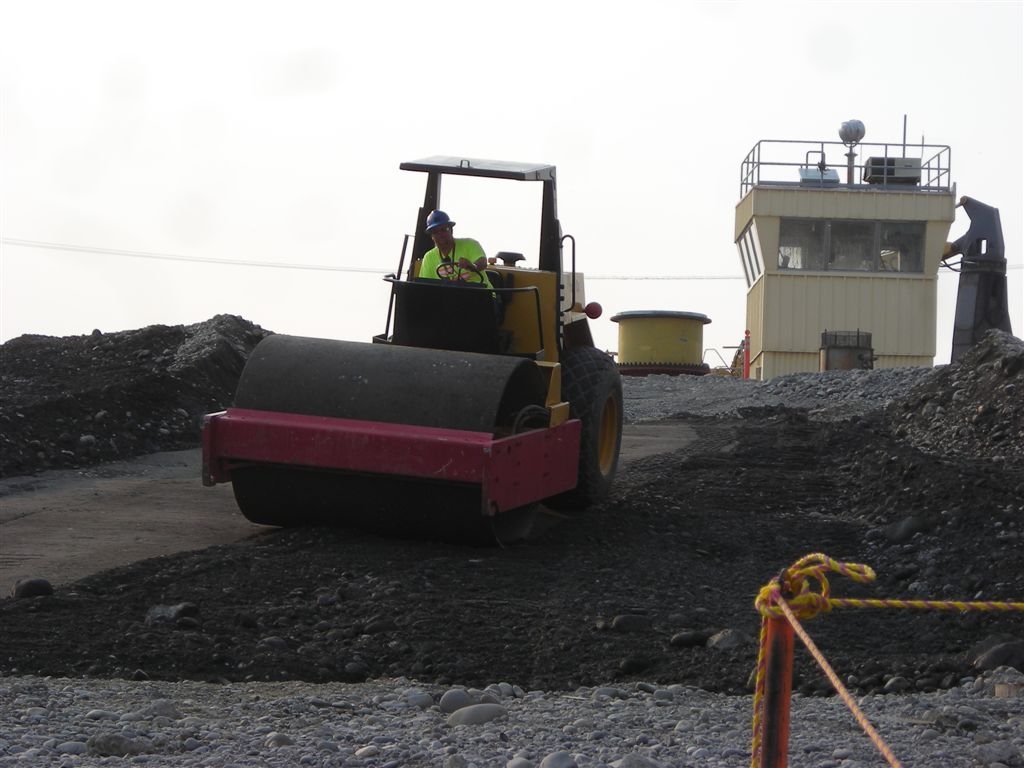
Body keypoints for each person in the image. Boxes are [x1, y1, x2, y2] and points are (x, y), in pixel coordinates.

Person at [418, 210, 494, 291]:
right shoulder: (428, 258)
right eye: (435, 232)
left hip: (482, 295)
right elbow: (423, 288)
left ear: (451, 230)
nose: (440, 234)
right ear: (432, 236)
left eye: (444, 229)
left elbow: (483, 263)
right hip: (450, 300)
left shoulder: (470, 244)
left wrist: (472, 266)